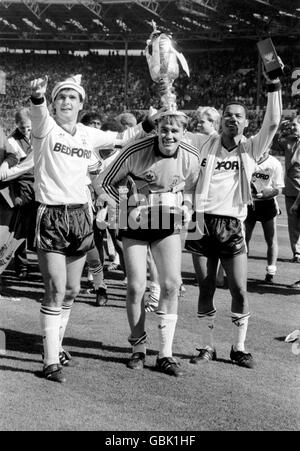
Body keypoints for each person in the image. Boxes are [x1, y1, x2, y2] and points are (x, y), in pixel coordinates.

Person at [29, 74, 156, 383]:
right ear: (54, 103)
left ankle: (56, 346)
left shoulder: (88, 134)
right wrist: (37, 97)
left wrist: (152, 121)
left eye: (72, 97)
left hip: (80, 217)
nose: (66, 101)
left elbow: (126, 137)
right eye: (61, 97)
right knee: (56, 289)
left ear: (81, 103)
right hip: (51, 216)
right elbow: (38, 112)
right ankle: (49, 361)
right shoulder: (45, 128)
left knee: (72, 290)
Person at [185, 72, 282, 368]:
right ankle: (206, 346)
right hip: (200, 222)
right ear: (221, 119)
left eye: (239, 116)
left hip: (231, 224)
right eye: (228, 114)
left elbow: (274, 121)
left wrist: (273, 87)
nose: (233, 119)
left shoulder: (252, 147)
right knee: (206, 287)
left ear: (246, 122)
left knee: (239, 288)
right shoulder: (204, 143)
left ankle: (239, 348)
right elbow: (189, 176)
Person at [98, 111, 200, 377]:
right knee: (135, 286)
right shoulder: (136, 150)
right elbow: (104, 182)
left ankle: (165, 354)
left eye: (174, 131)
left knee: (171, 284)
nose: (168, 135)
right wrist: (126, 206)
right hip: (134, 216)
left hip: (167, 219)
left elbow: (192, 187)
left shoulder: (190, 154)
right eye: (164, 129)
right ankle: (138, 347)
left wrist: (188, 206)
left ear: (183, 133)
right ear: (156, 129)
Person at [245, 147, 284, 283]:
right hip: (249, 204)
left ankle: (270, 272)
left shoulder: (275, 163)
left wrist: (268, 193)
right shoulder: (248, 160)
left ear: (269, 147)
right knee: (244, 238)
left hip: (267, 204)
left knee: (271, 238)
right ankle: (241, 270)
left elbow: (278, 188)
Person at [279, 115, 300, 263]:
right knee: (293, 225)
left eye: (295, 125)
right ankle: (297, 253)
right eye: (291, 125)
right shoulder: (288, 142)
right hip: (290, 190)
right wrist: (281, 127)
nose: (292, 128)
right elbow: (272, 142)